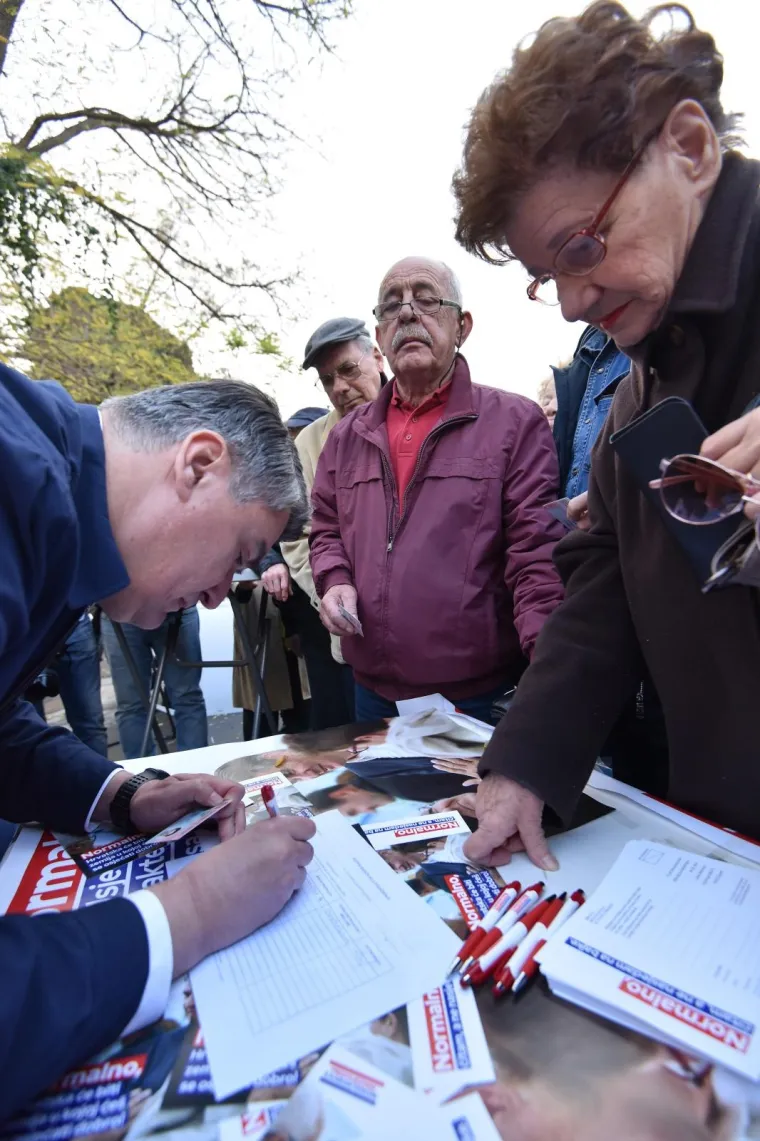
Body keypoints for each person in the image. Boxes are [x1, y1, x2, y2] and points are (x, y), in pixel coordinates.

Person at [452, 0, 760, 868]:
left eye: (582, 247)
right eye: (545, 276)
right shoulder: (635, 397)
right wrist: (524, 763)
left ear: (689, 149)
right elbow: (604, 590)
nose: (572, 303)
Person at [0, 365, 315, 1119]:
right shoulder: (14, 490)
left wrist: (121, 794)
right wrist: (194, 911)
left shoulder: (51, 505)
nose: (216, 596)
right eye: (239, 554)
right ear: (199, 464)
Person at [310, 257, 565, 725]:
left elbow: (536, 554)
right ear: (380, 337)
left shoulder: (514, 423)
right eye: (392, 306)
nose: (408, 312)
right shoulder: (346, 438)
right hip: (371, 693)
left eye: (426, 299)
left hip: (477, 698)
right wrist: (335, 579)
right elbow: (325, 528)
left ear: (462, 326)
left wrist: (550, 673)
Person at [280, 319, 386, 729]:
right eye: (327, 380)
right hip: (354, 642)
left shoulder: (418, 423)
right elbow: (298, 538)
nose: (339, 387)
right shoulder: (308, 443)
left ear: (377, 357)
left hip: (431, 643)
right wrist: (331, 593)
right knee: (367, 747)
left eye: (347, 369)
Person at [101, 607, 208, 759]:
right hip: (121, 616)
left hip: (177, 610)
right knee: (131, 705)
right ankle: (141, 771)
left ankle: (195, 766)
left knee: (187, 697)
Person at [28, 610, 108, 756]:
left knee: (90, 724)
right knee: (30, 729)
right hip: (27, 632)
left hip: (74, 624)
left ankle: (96, 771)